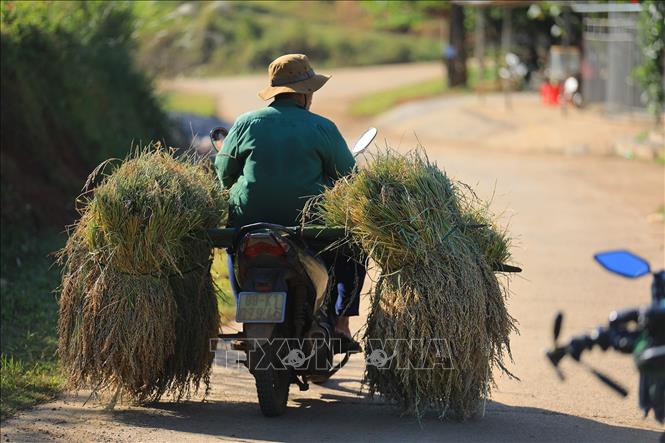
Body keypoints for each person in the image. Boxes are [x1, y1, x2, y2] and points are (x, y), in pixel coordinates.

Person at [214, 53, 363, 347]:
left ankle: (246, 315)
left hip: (249, 221)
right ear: (305, 93)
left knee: (236, 249)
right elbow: (350, 178)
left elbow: (223, 174)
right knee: (352, 247)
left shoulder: (245, 123)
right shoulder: (322, 127)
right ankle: (342, 321)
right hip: (308, 224)